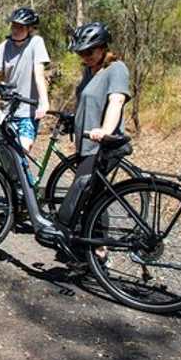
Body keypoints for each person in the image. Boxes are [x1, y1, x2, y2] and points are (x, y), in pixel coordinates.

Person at [56, 22, 130, 235]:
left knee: (84, 195)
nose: (85, 56)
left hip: (102, 146)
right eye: (81, 52)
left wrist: (105, 131)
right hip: (86, 146)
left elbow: (116, 101)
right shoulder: (90, 70)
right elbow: (88, 100)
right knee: (92, 196)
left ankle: (98, 251)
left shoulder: (116, 69)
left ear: (103, 47)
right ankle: (92, 251)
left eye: (89, 51)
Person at [0, 7, 50, 154]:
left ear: (30, 29)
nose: (15, 30)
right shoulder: (5, 46)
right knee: (4, 155)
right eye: (14, 26)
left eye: (20, 27)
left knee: (21, 152)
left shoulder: (36, 43)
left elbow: (39, 75)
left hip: (28, 112)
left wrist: (44, 103)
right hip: (8, 112)